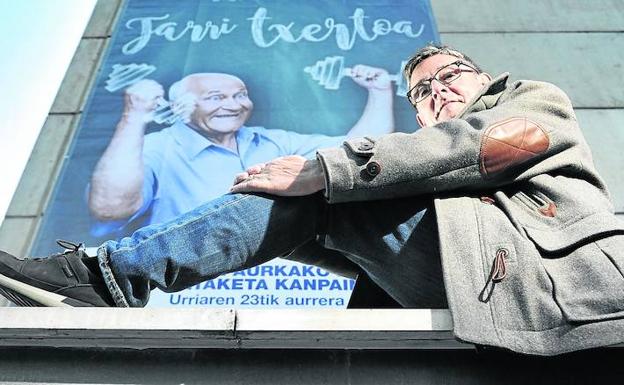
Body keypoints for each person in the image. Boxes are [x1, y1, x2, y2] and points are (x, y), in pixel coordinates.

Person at [1, 45, 623, 355]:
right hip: (478, 278)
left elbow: (489, 145)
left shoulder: (531, 100)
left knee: (318, 192)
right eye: (421, 92)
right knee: (309, 206)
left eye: (450, 75)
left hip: (554, 284)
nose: (436, 92)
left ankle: (105, 276)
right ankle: (101, 276)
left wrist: (320, 172)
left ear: (483, 78)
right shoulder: (162, 143)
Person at [88, 67, 395, 237]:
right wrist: (134, 117)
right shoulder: (158, 147)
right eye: (216, 97)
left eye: (240, 95)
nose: (234, 105)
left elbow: (356, 152)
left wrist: (379, 93)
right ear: (184, 107)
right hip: (186, 300)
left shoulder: (272, 141)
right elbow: (110, 208)